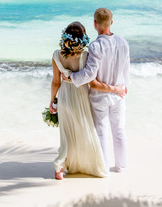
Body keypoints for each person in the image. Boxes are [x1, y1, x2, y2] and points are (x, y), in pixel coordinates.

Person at [49, 21, 125, 180]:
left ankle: (60, 166)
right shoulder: (85, 56)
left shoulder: (56, 55)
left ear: (65, 36)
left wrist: (52, 101)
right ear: (82, 38)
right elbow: (90, 80)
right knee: (84, 132)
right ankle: (88, 164)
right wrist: (115, 87)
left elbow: (56, 82)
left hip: (64, 97)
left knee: (67, 134)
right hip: (81, 98)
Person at [69, 8, 130, 173]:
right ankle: (121, 166)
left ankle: (104, 167)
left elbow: (89, 74)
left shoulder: (96, 46)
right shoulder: (123, 42)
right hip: (118, 94)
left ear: (95, 24)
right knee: (119, 131)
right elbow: (126, 70)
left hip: (100, 97)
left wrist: (71, 77)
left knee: (101, 132)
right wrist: (124, 88)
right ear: (111, 22)